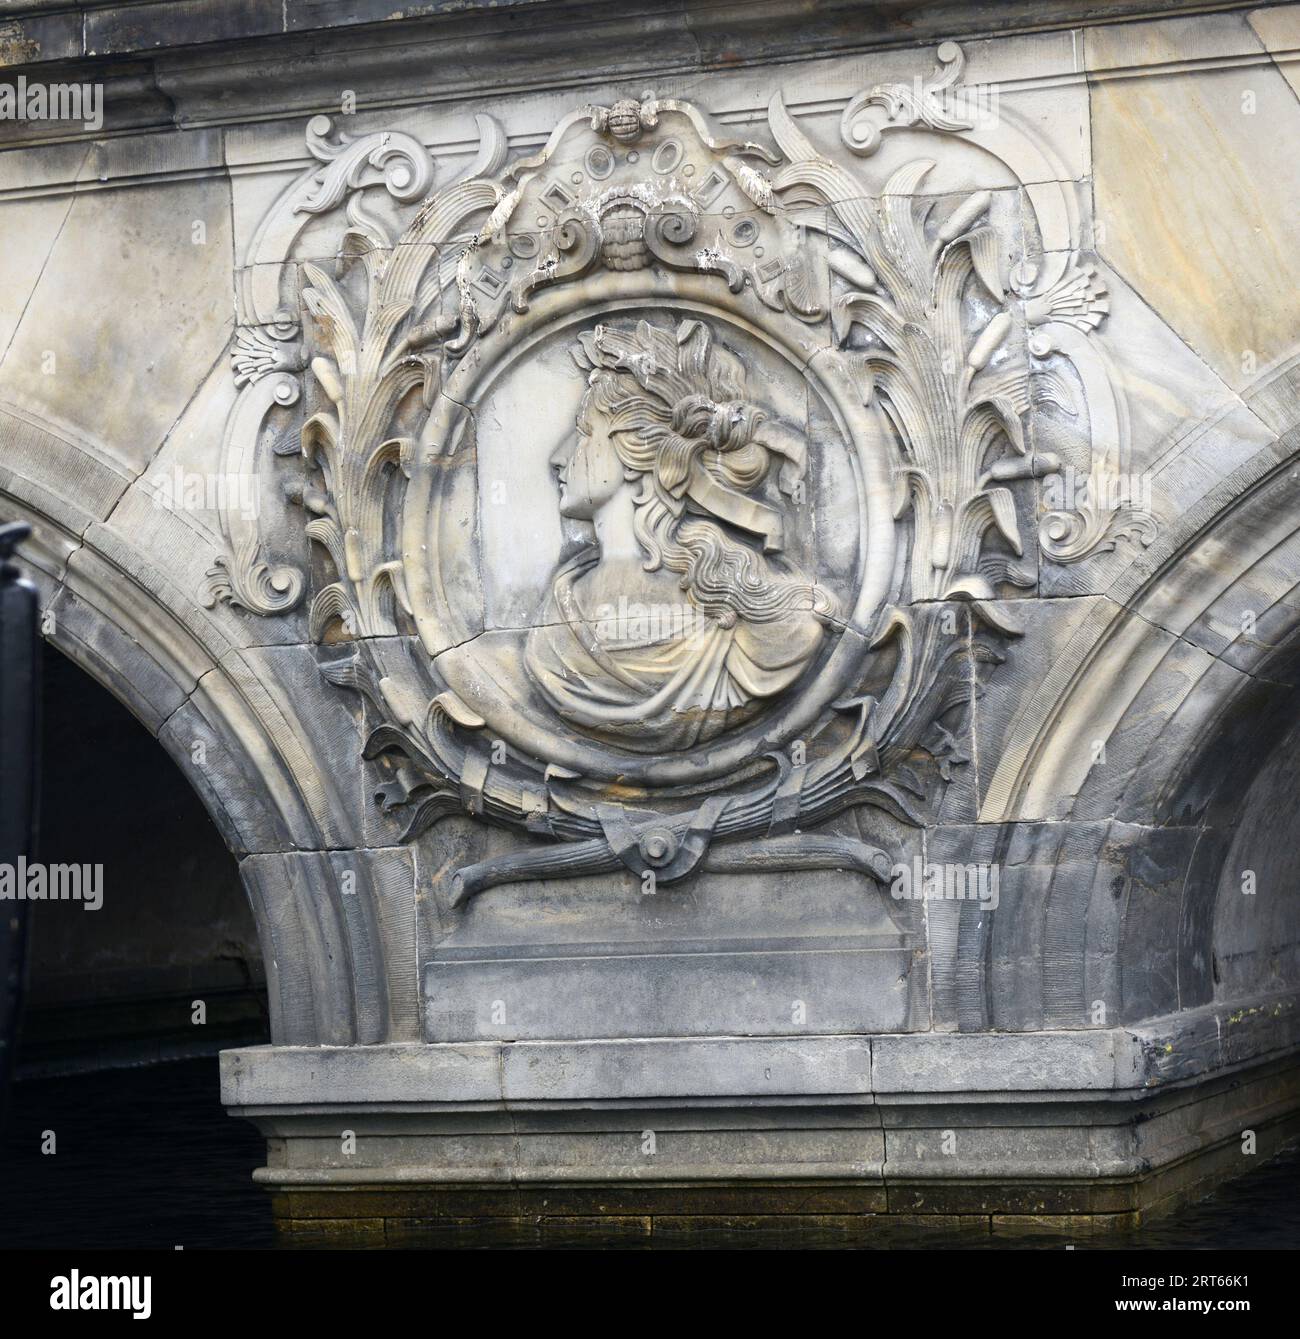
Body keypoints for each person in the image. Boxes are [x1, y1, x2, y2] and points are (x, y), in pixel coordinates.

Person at [524, 318, 838, 751]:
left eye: (583, 435)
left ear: (634, 450)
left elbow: (801, 631)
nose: (559, 458)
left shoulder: (766, 626)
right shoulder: (555, 623)